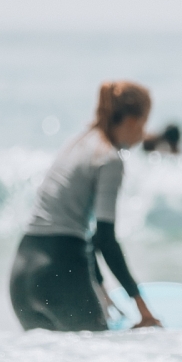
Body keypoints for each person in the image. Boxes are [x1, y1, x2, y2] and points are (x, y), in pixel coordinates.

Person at [10, 81, 162, 332]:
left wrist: (99, 288)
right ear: (132, 121)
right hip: (60, 269)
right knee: (98, 354)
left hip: (22, 275)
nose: (144, 132)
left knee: (47, 356)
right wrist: (142, 307)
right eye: (144, 122)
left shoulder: (76, 144)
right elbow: (104, 240)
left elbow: (85, 236)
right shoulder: (109, 158)